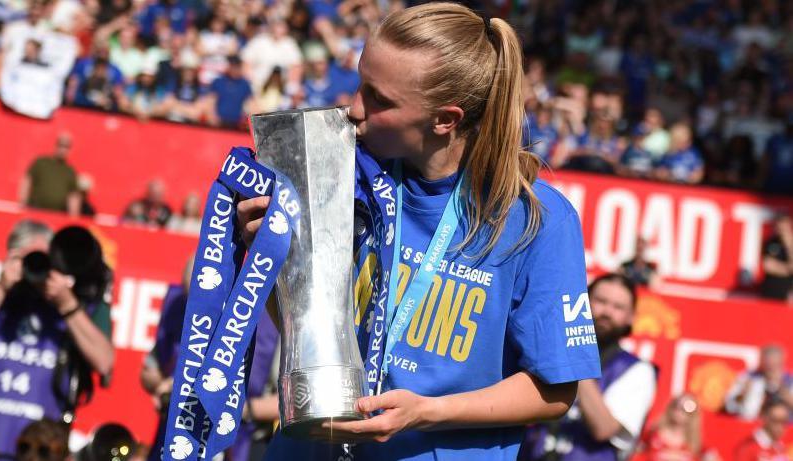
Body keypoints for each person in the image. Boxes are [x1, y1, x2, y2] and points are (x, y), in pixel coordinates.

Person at [237, 4, 601, 460]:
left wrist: (426, 412)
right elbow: (309, 331)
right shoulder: (340, 175)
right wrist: (271, 258)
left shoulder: (536, 220)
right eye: (359, 83)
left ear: (445, 120)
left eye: (379, 99)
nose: (353, 109)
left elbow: (555, 390)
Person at [0, 224, 115, 457]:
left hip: (43, 448)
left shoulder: (76, 303)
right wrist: (1, 288)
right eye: (29, 258)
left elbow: (105, 362)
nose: (37, 266)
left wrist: (67, 304)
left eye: (44, 259)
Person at [141, 258, 279, 461]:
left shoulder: (270, 324)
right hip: (181, 438)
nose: (200, 317)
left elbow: (287, 403)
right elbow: (148, 371)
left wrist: (235, 408)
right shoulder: (183, 311)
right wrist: (166, 387)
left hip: (243, 442)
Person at [520, 273, 657, 461]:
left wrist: (575, 356)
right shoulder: (548, 349)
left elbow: (604, 428)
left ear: (631, 317)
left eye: (618, 307)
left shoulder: (638, 371)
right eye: (600, 301)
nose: (607, 312)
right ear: (582, 304)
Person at [18, 133, 81, 216]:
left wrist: (73, 216)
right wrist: (22, 202)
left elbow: (73, 196)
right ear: (56, 145)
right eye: (61, 145)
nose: (63, 149)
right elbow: (27, 180)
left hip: (56, 215)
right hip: (34, 210)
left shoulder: (70, 171)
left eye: (66, 147)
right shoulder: (41, 162)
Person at [725, 345, 793, 420]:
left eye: (774, 365)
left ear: (781, 363)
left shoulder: (789, 381)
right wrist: (743, 393)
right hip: (750, 425)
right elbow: (729, 406)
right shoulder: (747, 377)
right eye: (767, 365)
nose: (770, 369)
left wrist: (784, 392)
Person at [635, 394, 709, 461]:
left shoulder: (695, 443)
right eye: (677, 406)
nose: (680, 412)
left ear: (693, 415)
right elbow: (637, 452)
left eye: (687, 408)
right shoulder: (652, 432)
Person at [758, 214, 793, 302]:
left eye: (784, 227)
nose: (782, 230)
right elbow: (768, 266)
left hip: (787, 293)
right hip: (770, 291)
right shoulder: (770, 242)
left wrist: (789, 244)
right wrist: (787, 268)